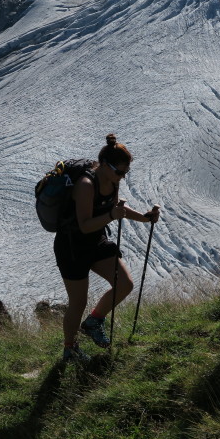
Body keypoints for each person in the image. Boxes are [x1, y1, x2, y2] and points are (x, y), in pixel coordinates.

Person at [55, 134, 160, 362]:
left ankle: (93, 322)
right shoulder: (85, 185)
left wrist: (145, 218)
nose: (122, 177)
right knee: (78, 302)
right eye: (119, 171)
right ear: (103, 164)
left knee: (125, 283)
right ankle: (69, 350)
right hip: (72, 246)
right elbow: (84, 225)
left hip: (95, 241)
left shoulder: (110, 181)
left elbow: (115, 207)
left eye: (125, 173)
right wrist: (112, 216)